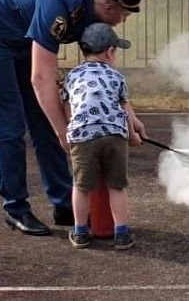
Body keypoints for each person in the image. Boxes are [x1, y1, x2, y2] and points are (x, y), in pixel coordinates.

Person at [0, 0, 153, 236]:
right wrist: (65, 135)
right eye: (124, 14)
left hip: (20, 39)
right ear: (109, 7)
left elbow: (102, 73)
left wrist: (129, 115)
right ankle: (15, 209)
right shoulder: (58, 4)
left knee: (45, 118)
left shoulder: (91, 8)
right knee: (9, 124)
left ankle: (64, 204)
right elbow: (41, 79)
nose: (123, 21)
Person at [61, 22, 142, 250]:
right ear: (109, 51)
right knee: (117, 186)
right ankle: (121, 233)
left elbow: (68, 110)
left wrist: (72, 132)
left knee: (81, 186)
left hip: (83, 135)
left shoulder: (71, 76)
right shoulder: (116, 77)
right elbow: (125, 111)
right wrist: (133, 136)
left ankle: (80, 232)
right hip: (114, 134)